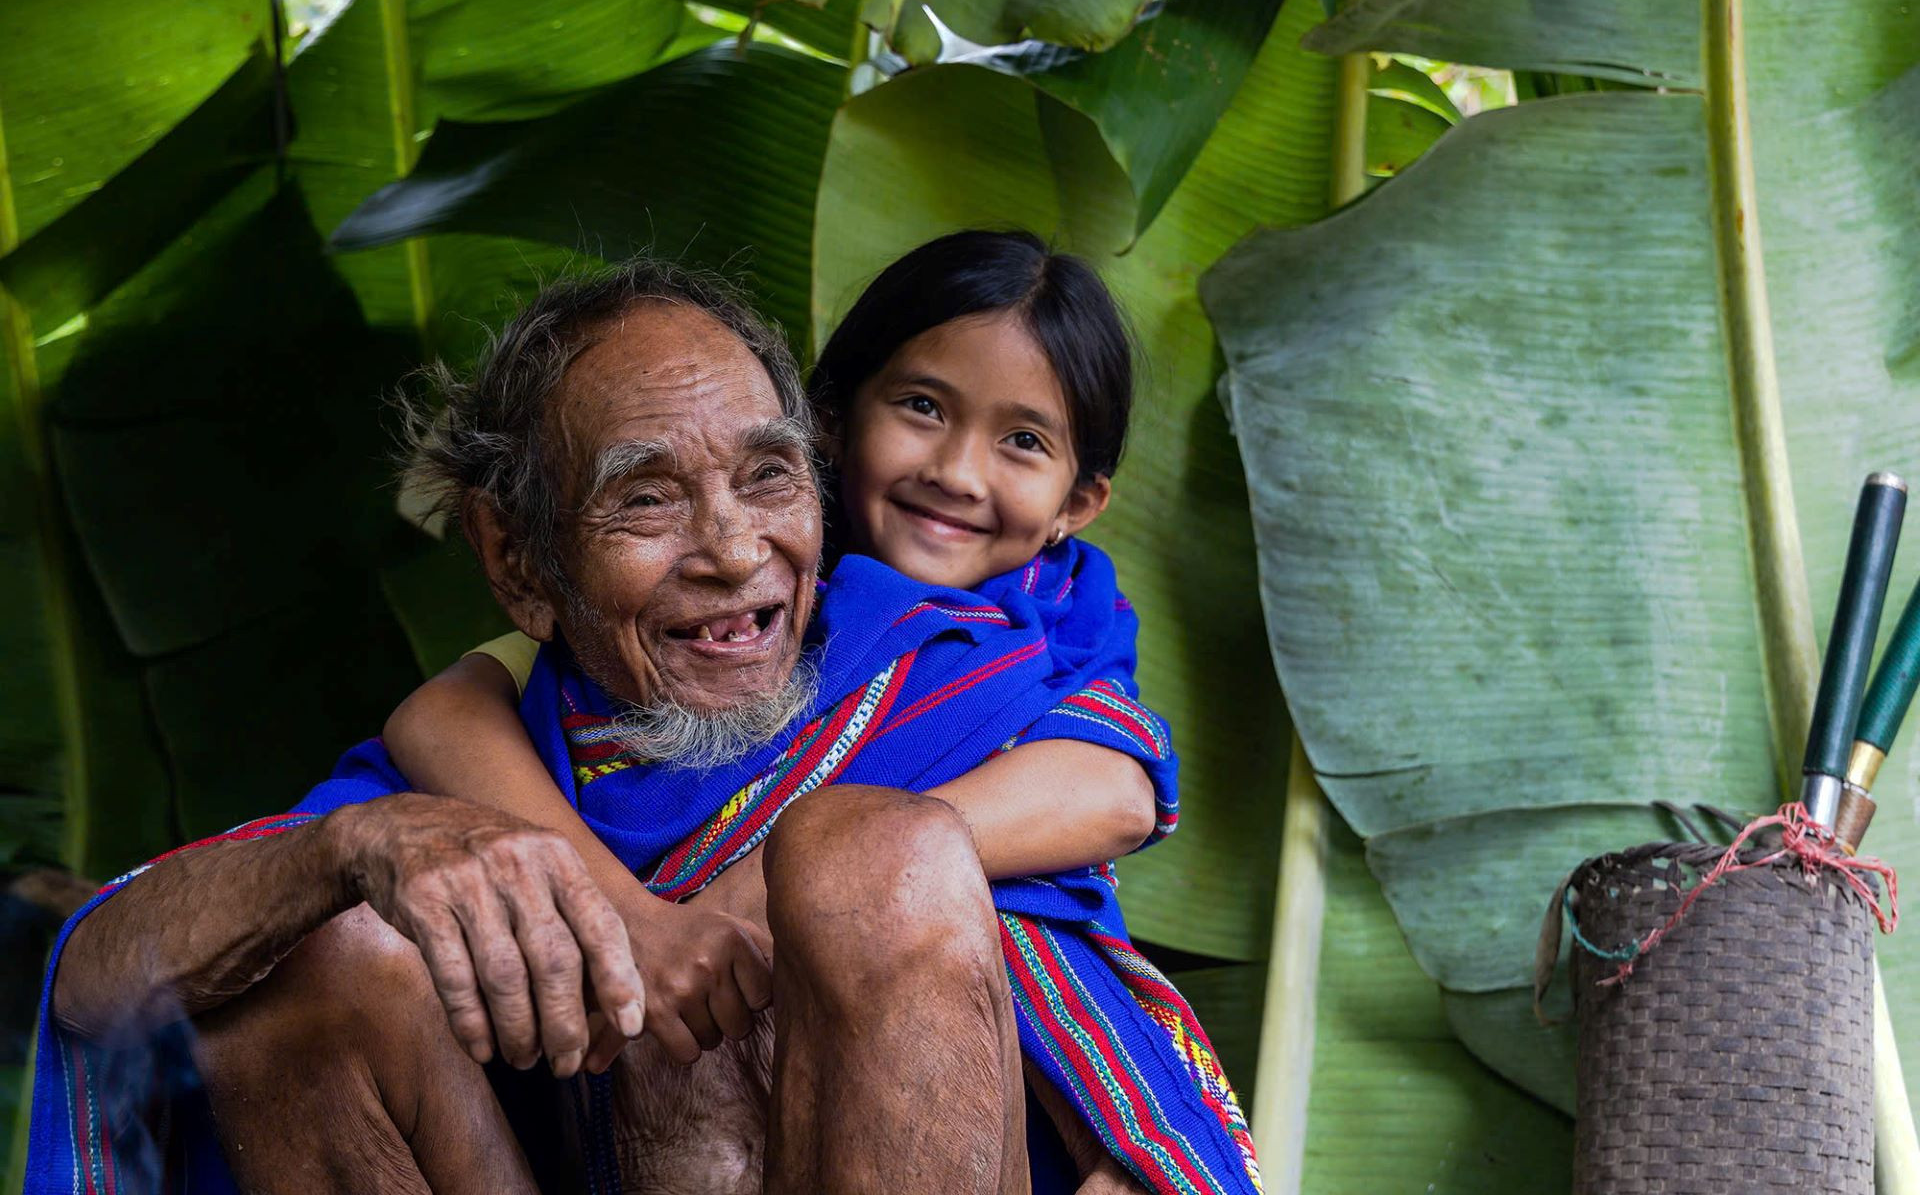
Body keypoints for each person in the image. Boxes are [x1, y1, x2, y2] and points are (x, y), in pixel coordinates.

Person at [26, 251, 1255, 1195]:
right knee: (316, 954)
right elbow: (95, 975)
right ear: (516, 560)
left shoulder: (945, 664)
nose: (732, 551)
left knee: (878, 856)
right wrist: (354, 849)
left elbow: (1118, 783)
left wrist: (752, 891)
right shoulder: (503, 760)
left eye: (768, 477)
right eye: (647, 497)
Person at [382, 231, 1258, 1194]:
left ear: (1078, 503)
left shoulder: (1057, 608)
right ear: (832, 423)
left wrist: (796, 878)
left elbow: (1118, 788)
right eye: (923, 408)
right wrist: (627, 916)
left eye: (1023, 441)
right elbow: (443, 716)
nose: (959, 473)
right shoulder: (753, 583)